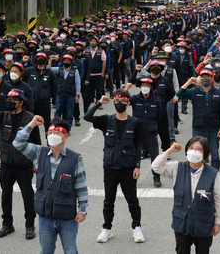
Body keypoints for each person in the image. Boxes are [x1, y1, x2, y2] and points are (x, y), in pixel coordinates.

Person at [13, 116, 88, 254]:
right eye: (50, 133)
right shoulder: (39, 153)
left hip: (67, 218)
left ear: (65, 137)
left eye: (56, 133)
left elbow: (81, 186)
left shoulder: (74, 158)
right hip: (45, 217)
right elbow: (18, 143)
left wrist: (82, 210)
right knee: (46, 251)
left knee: (71, 251)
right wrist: (32, 124)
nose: (52, 136)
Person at [84, 91, 146, 243]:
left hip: (128, 167)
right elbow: (87, 117)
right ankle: (106, 228)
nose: (120, 104)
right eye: (117, 101)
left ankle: (137, 227)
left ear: (128, 103)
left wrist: (137, 166)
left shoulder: (135, 123)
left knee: (132, 199)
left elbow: (139, 147)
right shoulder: (107, 120)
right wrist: (99, 103)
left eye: (123, 101)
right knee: (108, 200)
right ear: (114, 102)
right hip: (110, 167)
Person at [0, 90, 40, 240]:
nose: (9, 102)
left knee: (28, 196)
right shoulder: (3, 116)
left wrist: (35, 163)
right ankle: (7, 224)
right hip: (6, 164)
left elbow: (37, 143)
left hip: (23, 164)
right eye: (8, 99)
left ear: (21, 102)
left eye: (13, 99)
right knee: (6, 195)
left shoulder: (30, 118)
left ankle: (30, 225)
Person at [152, 137, 220, 254]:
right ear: (186, 150)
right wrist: (170, 150)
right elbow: (156, 166)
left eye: (198, 149)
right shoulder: (176, 168)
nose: (194, 151)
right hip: (182, 223)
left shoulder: (213, 174)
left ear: (205, 153)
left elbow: (219, 199)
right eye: (191, 148)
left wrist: (218, 222)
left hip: (203, 224)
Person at [176, 69, 220, 170]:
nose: (205, 79)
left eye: (207, 77)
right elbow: (179, 93)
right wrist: (190, 82)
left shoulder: (218, 93)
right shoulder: (194, 91)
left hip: (213, 128)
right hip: (198, 128)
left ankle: (215, 176)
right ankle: (197, 174)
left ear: (212, 78)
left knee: (215, 154)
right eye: (202, 77)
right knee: (196, 154)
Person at [125, 77, 164, 187]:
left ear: (151, 87)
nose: (145, 87)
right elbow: (123, 103)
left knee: (155, 157)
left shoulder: (156, 100)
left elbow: (159, 116)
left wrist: (153, 127)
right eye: (143, 85)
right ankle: (131, 177)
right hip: (136, 132)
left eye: (147, 85)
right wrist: (126, 90)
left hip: (151, 133)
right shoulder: (135, 98)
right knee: (133, 155)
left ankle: (156, 177)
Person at [52, 54, 81, 129]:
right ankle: (56, 126)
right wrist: (50, 60)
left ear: (71, 62)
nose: (66, 62)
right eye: (65, 61)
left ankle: (67, 128)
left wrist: (77, 95)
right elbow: (48, 69)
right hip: (60, 94)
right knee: (57, 112)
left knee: (69, 113)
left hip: (70, 95)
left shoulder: (75, 71)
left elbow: (77, 84)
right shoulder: (58, 69)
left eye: (68, 61)